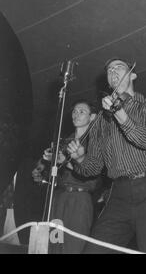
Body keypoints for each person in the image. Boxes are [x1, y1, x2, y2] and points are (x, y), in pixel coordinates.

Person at [67, 58, 146, 254]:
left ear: (133, 74)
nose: (113, 70)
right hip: (119, 193)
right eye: (109, 69)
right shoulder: (101, 119)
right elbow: (93, 167)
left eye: (119, 67)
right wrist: (79, 158)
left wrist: (120, 113)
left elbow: (145, 140)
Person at [32, 100, 99, 253]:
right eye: (74, 111)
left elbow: (92, 173)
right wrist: (42, 173)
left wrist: (66, 161)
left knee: (73, 247)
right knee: (54, 245)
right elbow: (56, 174)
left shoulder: (96, 142)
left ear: (93, 117)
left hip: (79, 200)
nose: (76, 114)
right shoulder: (64, 142)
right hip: (59, 198)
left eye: (82, 111)